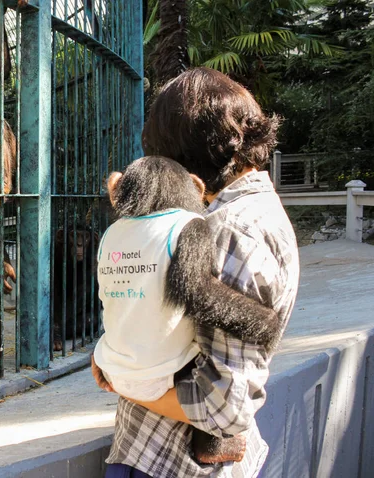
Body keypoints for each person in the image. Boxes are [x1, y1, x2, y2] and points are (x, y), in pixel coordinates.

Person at [92, 67, 300, 477]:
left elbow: (224, 406)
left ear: (184, 159)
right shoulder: (222, 213)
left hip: (170, 464)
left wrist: (121, 378)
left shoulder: (228, 229)